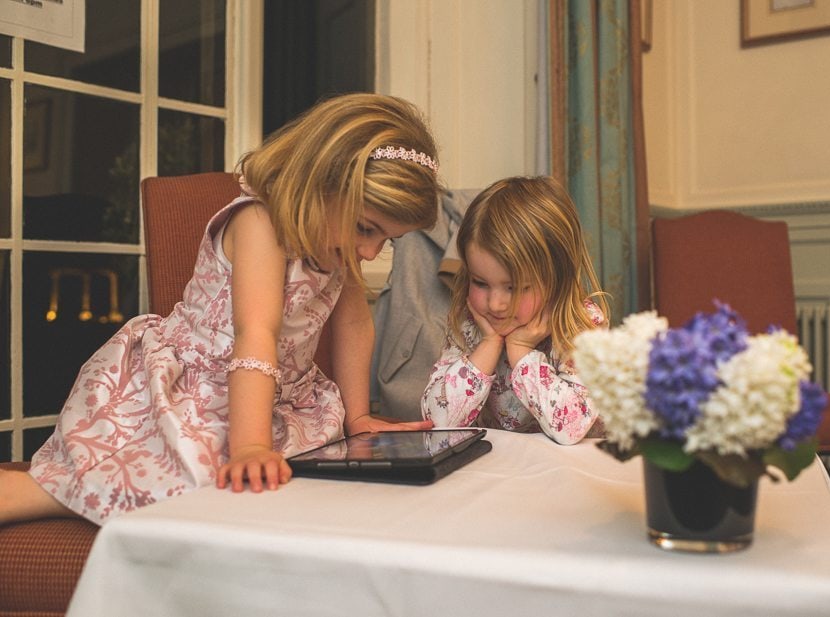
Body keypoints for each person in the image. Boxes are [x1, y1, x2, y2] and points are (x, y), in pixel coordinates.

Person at [0, 93, 441, 526]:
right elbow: (257, 332)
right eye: (366, 228)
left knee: (305, 487)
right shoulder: (260, 223)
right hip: (194, 390)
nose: (369, 251)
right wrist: (249, 447)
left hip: (273, 400)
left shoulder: (335, 245)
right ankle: (45, 491)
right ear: (320, 180)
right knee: (178, 482)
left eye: (386, 240)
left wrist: (358, 416)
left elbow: (354, 323)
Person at [421, 176, 609, 445]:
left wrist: (521, 350)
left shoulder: (582, 325)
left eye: (515, 288)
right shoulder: (471, 324)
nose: (496, 304)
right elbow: (438, 422)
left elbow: (571, 428)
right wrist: (488, 345)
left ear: (556, 280)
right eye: (480, 283)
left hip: (567, 471)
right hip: (501, 469)